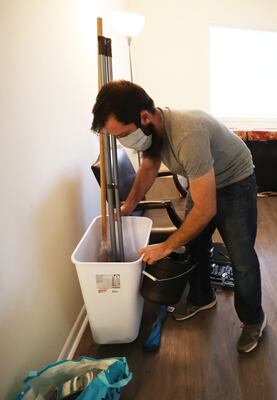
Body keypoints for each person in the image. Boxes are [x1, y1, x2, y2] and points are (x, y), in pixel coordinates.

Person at [91, 80, 266, 353]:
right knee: (195, 246)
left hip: (235, 181)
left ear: (144, 117)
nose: (123, 141)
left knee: (241, 258)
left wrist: (166, 245)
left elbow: (206, 209)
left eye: (123, 134)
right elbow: (148, 169)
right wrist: (128, 205)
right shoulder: (150, 134)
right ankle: (202, 297)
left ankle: (254, 320)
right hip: (203, 180)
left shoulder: (187, 133)